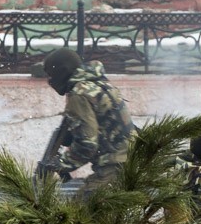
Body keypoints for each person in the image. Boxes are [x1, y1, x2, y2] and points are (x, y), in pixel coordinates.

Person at [35, 49, 135, 189]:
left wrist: (59, 164)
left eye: (51, 75)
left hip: (115, 165)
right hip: (133, 157)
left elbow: (87, 145)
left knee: (82, 203)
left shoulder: (79, 94)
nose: (50, 81)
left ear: (62, 72)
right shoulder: (99, 84)